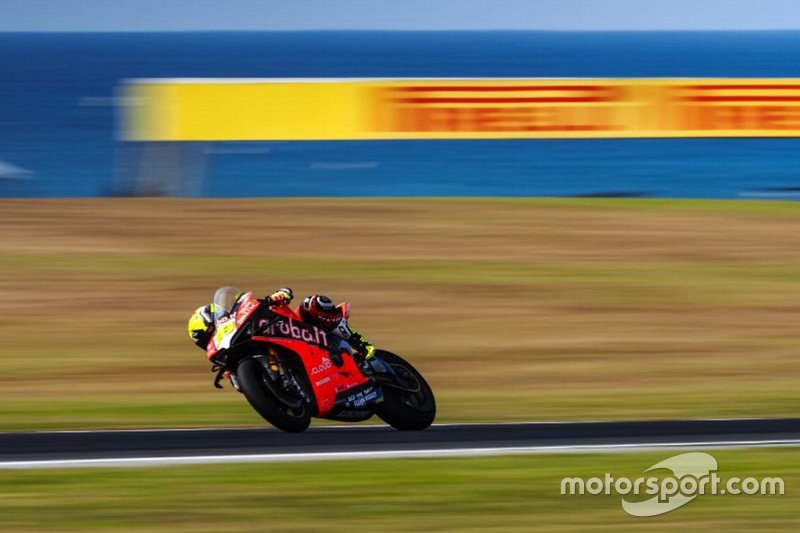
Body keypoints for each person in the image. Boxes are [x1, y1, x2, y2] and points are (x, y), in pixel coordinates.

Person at [187, 287, 375, 364]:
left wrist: (278, 296)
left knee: (314, 303)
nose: (212, 339)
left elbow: (284, 293)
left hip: (304, 331)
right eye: (206, 341)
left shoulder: (245, 315)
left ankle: (361, 344)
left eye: (210, 332)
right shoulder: (232, 362)